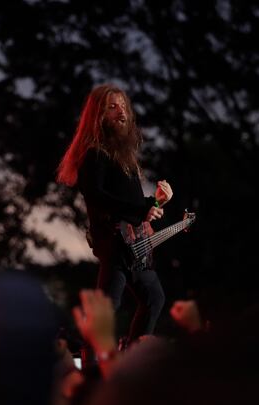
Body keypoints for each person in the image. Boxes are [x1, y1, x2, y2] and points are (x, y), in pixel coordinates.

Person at [57, 84, 172, 349]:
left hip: (133, 245)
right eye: (112, 107)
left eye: (123, 105)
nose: (121, 111)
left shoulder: (125, 155)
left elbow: (130, 202)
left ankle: (131, 355)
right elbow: (96, 194)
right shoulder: (95, 153)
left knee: (153, 297)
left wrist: (155, 201)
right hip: (115, 242)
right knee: (109, 306)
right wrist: (141, 209)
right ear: (99, 116)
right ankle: (93, 365)